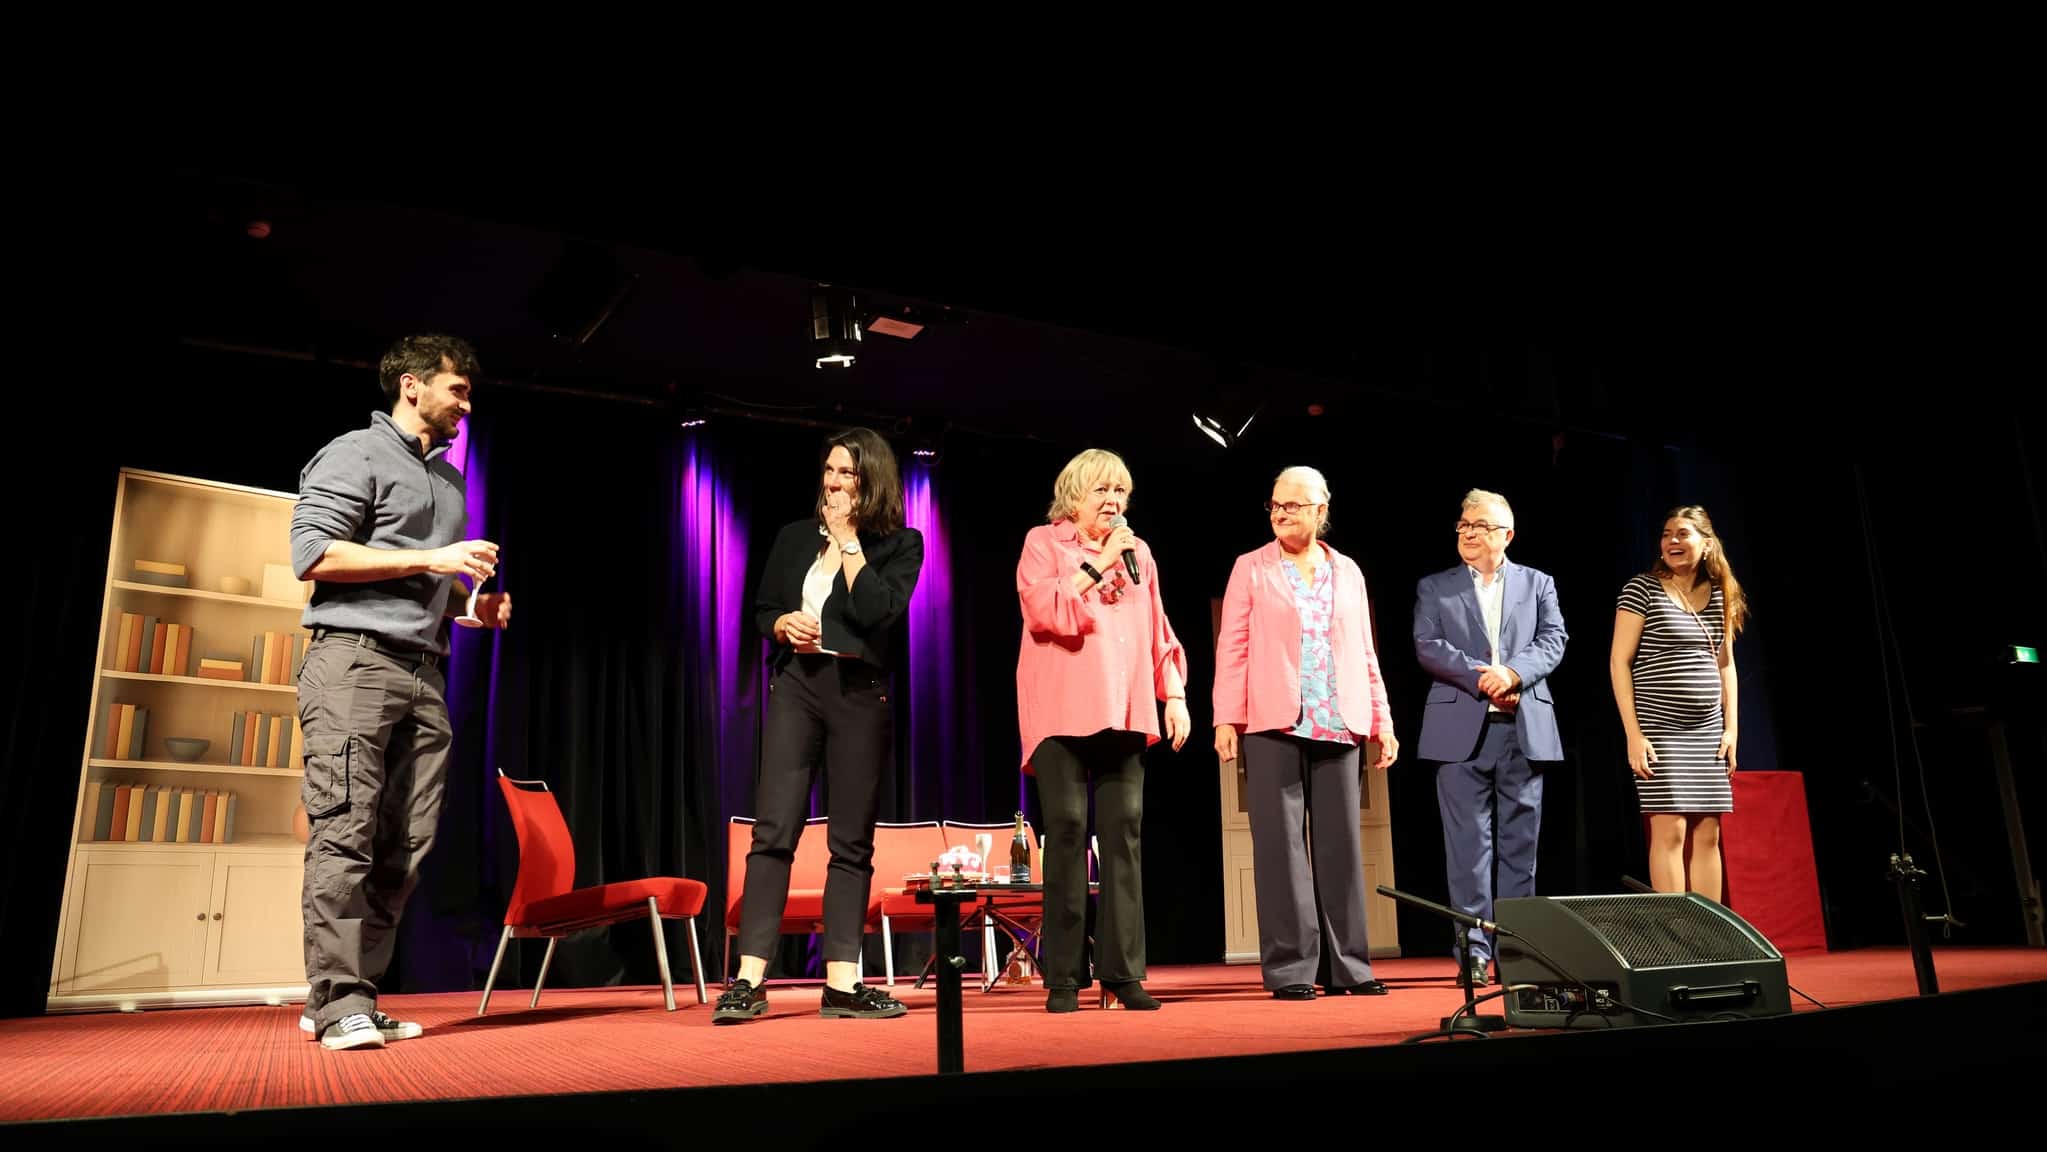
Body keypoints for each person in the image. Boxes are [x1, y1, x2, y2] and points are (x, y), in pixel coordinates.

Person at [290, 333, 512, 1051]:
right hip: (353, 664)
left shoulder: (448, 481)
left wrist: (464, 609)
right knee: (345, 830)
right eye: (458, 388)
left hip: (424, 672)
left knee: (406, 844)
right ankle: (337, 1002)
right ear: (411, 385)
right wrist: (434, 557)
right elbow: (314, 554)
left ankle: (354, 991)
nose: (466, 403)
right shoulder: (354, 452)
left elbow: (419, 582)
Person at [716, 428, 924, 1024]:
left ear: (872, 481)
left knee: (851, 841)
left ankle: (841, 984)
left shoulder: (900, 544)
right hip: (798, 687)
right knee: (774, 829)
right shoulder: (792, 538)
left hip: (860, 693)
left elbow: (875, 612)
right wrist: (782, 623)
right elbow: (762, 610)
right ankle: (749, 979)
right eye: (829, 471)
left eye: (847, 474)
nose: (833, 483)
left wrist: (850, 542)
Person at [1213, 466, 1397, 1000]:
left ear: (1321, 511)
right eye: (1275, 505)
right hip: (1273, 721)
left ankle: (1349, 967)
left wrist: (1382, 722)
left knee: (1340, 847)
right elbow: (1233, 647)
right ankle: (1292, 968)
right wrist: (1227, 717)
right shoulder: (1251, 568)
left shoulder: (1349, 572)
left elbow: (1365, 651)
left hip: (1339, 722)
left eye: (1293, 506)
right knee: (1280, 850)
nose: (1281, 514)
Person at [1016, 448, 1189, 1013]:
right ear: (1074, 495)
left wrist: (1176, 695)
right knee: (1065, 830)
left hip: (1125, 708)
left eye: (1121, 493)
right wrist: (1096, 565)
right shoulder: (1044, 543)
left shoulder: (1139, 553)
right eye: (1102, 492)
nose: (1114, 503)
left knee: (1125, 835)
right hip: (1061, 710)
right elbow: (1045, 611)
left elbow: (1156, 625)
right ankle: (1063, 976)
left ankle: (1122, 972)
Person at [1413, 488, 1567, 987]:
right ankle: (1473, 954)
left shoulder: (1538, 583)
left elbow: (1553, 640)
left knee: (1521, 849)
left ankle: (1516, 953)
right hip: (1461, 731)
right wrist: (1485, 677)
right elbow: (1428, 645)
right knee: (1467, 850)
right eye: (1463, 524)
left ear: (1507, 534)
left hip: (1524, 728)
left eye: (1479, 525)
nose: (1468, 533)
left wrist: (1514, 675)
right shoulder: (1435, 586)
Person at [1610, 504, 1747, 901]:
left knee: (1708, 831)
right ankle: (1676, 936)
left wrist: (1731, 727)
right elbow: (1619, 661)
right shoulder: (1643, 589)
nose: (1672, 541)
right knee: (1670, 830)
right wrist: (1634, 735)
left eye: (1682, 534)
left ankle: (1709, 935)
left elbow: (1726, 665)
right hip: (1660, 728)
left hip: (1707, 731)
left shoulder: (1721, 593)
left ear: (1706, 544)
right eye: (1667, 534)